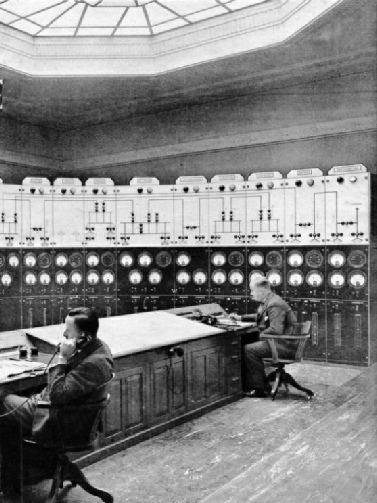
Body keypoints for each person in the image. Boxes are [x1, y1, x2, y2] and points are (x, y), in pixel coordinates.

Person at [0, 306, 114, 494]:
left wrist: (62, 358)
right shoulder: (98, 348)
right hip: (66, 411)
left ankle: (12, 481)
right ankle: (17, 476)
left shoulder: (94, 364)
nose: (64, 334)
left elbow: (58, 395)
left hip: (59, 418)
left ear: (83, 336)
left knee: (3, 402)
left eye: (68, 332)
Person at [230, 277, 297, 398]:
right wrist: (241, 318)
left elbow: (275, 330)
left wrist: (259, 334)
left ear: (261, 291)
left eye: (252, 290)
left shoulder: (274, 304)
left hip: (283, 346)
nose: (251, 294)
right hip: (283, 343)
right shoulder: (271, 300)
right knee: (251, 344)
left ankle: (259, 388)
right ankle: (258, 383)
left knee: (249, 349)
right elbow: (261, 316)